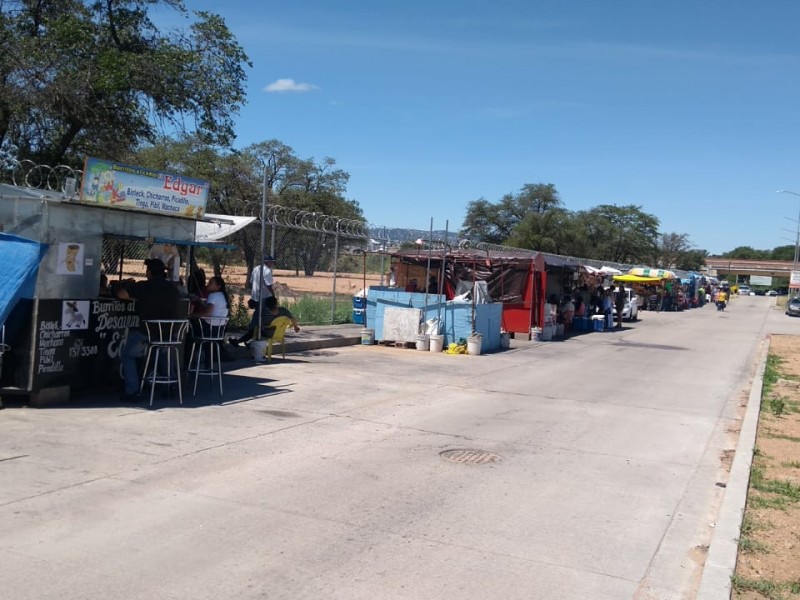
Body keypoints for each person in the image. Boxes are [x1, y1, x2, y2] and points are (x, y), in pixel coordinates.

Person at [114, 258, 182, 402]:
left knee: (127, 354)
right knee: (164, 353)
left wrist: (124, 285)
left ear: (149, 272)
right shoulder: (173, 288)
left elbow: (122, 295)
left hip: (149, 331)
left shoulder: (144, 286)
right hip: (171, 333)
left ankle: (132, 391)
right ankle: (169, 387)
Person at [230, 257, 275, 347]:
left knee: (257, 321)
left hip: (255, 297)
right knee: (257, 323)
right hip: (264, 298)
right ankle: (245, 341)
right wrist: (273, 294)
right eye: (272, 262)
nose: (273, 264)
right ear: (267, 262)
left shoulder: (256, 269)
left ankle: (248, 341)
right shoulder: (267, 271)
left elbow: (251, 282)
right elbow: (268, 284)